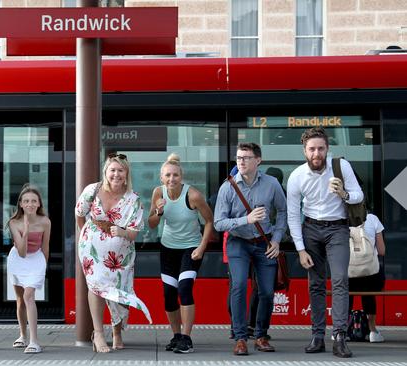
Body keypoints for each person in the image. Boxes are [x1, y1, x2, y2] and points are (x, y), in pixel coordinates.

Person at [287, 127, 363, 358]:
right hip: (310, 229)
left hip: (337, 228)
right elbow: (292, 215)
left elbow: (359, 195)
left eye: (320, 148)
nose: (316, 153)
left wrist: (344, 194)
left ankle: (339, 336)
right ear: (304, 151)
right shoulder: (297, 176)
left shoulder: (342, 167)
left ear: (327, 149)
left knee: (340, 279)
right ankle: (317, 336)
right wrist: (300, 250)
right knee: (316, 284)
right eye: (312, 149)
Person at [214, 142, 286, 356]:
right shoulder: (227, 186)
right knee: (238, 286)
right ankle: (240, 338)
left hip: (265, 243)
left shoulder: (272, 184)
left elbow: (283, 212)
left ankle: (261, 336)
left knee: (266, 291)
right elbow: (219, 223)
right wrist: (246, 219)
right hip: (238, 243)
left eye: (246, 157)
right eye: (239, 157)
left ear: (258, 160)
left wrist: (277, 239)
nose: (241, 161)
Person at [75, 153, 152, 353]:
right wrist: (88, 236)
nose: (116, 174)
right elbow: (80, 214)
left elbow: (134, 233)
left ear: (126, 174)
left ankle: (117, 332)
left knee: (120, 293)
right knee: (96, 287)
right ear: (105, 172)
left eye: (120, 170)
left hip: (121, 256)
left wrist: (122, 232)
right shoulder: (92, 190)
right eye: (112, 170)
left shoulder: (133, 199)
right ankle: (98, 333)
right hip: (92, 252)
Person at [147, 153, 214, 354]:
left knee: (184, 288)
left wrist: (201, 248)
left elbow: (210, 221)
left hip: (190, 248)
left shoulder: (193, 195)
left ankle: (186, 337)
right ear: (162, 178)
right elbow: (151, 224)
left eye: (175, 175)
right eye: (167, 175)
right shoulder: (158, 193)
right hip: (168, 249)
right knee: (169, 294)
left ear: (181, 176)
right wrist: (158, 212)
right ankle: (176, 336)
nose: (172, 179)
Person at [7, 185, 51, 354]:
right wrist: (25, 230)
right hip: (19, 259)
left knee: (28, 295)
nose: (30, 204)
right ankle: (22, 335)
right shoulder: (13, 222)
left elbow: (45, 247)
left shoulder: (45, 222)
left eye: (34, 201)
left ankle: (34, 341)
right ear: (21, 204)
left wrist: (44, 267)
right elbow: (22, 252)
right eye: (26, 201)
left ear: (39, 203)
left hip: (37, 259)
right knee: (20, 299)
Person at [348, 212, 386, 343]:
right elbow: (381, 251)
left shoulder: (339, 218)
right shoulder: (373, 219)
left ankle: (341, 330)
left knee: (344, 289)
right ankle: (373, 331)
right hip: (371, 276)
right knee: (368, 290)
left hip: (348, 275)